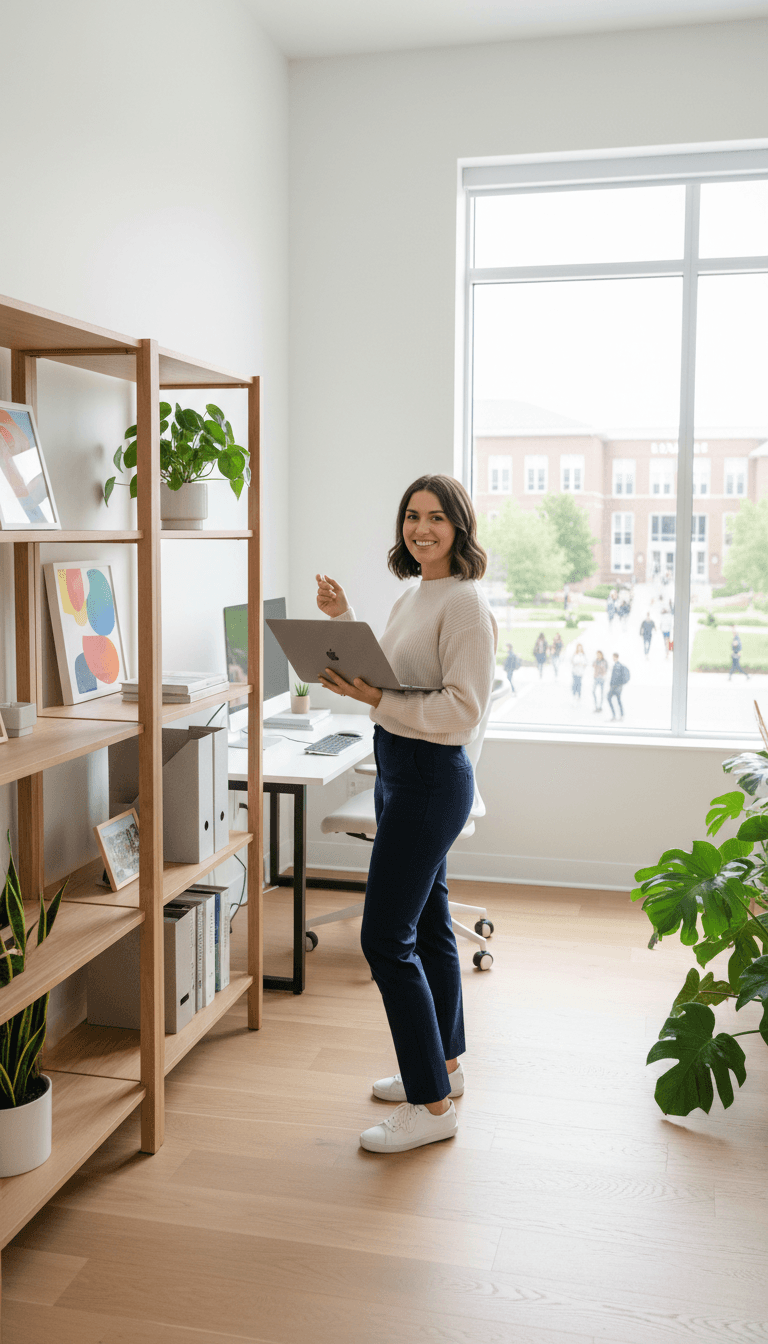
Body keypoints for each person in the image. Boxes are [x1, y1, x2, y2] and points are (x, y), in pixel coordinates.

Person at [315, 473, 497, 1155]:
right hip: (399, 767)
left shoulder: (467, 606)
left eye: (436, 518)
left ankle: (431, 1105)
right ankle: (442, 1066)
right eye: (412, 517)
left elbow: (460, 709)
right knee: (426, 925)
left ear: (460, 527)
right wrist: (341, 622)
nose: (422, 529)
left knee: (383, 938)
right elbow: (394, 671)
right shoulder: (417, 593)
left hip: (429, 775)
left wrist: (374, 701)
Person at [607, 652, 629, 719]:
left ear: (617, 657)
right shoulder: (616, 665)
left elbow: (615, 677)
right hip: (617, 686)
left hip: (616, 686)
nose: (613, 658)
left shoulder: (618, 666)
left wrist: (612, 684)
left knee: (611, 698)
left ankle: (616, 715)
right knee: (618, 700)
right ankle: (620, 715)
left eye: (614, 657)